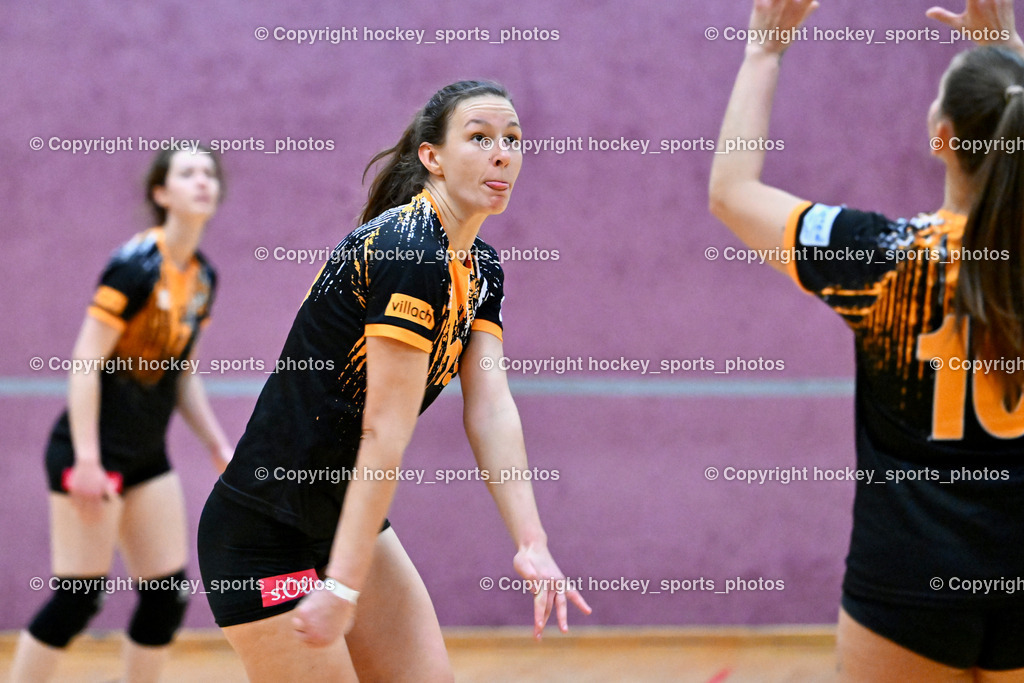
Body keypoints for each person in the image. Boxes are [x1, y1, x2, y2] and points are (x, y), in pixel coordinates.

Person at [197, 80, 591, 682]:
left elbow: (490, 408)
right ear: (432, 157)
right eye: (479, 138)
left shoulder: (479, 267)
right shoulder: (408, 251)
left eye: (512, 139)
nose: (502, 153)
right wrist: (342, 586)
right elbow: (384, 430)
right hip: (265, 530)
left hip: (345, 516)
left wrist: (530, 541)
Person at [709, 0, 1024, 680]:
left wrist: (763, 53)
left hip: (908, 581)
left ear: (941, 137)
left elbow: (732, 191)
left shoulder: (883, 257)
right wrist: (1012, 65)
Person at [11, 147, 234, 683]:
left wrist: (216, 442)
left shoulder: (203, 277)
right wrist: (87, 461)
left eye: (209, 173)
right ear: (161, 194)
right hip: (90, 453)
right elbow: (84, 363)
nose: (202, 181)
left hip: (146, 458)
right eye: (187, 173)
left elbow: (181, 373)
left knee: (167, 597)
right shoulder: (134, 266)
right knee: (79, 600)